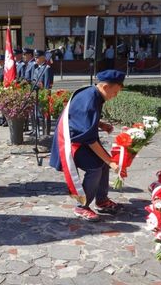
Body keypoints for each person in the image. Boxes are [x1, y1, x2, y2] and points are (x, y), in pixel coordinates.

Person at [49, 69, 125, 222]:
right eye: (115, 92)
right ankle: (81, 206)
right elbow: (90, 139)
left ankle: (102, 200)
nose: (115, 96)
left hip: (80, 137)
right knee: (95, 167)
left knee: (102, 162)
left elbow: (83, 119)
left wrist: (100, 124)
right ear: (105, 86)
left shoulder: (93, 93)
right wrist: (110, 161)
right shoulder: (91, 100)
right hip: (71, 142)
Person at [31, 49, 54, 135]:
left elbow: (47, 85)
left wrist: (45, 95)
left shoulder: (47, 69)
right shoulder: (36, 69)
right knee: (37, 114)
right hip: (36, 94)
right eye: (35, 57)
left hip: (43, 95)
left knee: (44, 115)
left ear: (43, 58)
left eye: (37, 57)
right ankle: (38, 132)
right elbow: (33, 81)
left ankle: (46, 133)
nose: (35, 59)